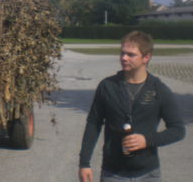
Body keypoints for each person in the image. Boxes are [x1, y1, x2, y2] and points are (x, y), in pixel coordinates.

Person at [78, 31, 185, 182]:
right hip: (113, 173)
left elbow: (178, 130)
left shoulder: (159, 90)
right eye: (122, 53)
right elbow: (93, 124)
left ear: (146, 57)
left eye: (131, 54)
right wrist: (84, 163)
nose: (124, 58)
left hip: (148, 173)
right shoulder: (107, 86)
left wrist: (146, 140)